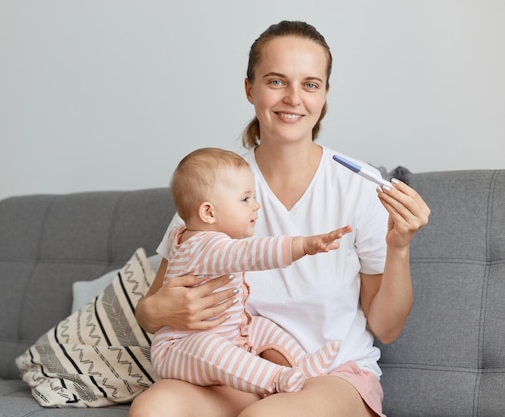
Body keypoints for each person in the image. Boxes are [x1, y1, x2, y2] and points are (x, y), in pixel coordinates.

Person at [130, 20, 430, 417]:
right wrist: (155, 312)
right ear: (249, 89)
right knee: (154, 407)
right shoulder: (214, 187)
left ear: (324, 95)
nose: (293, 98)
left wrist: (400, 247)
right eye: (276, 81)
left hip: (332, 375)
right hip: (242, 370)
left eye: (310, 84)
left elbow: (387, 328)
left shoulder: (358, 187)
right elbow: (152, 308)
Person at [152, 146, 351, 396]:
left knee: (259, 325)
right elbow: (253, 252)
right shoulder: (203, 245)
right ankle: (276, 379)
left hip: (230, 336)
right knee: (208, 346)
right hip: (178, 350)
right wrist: (304, 245)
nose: (256, 206)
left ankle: (301, 365)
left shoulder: (186, 236)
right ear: (209, 212)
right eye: (245, 199)